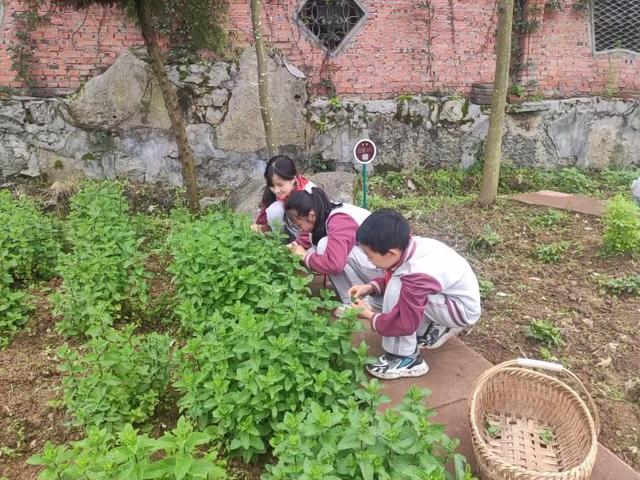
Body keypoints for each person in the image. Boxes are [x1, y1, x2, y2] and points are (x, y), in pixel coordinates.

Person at [348, 209, 481, 380]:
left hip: (461, 310)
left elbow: (404, 323)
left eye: (370, 256)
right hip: (451, 298)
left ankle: (404, 358)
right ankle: (439, 325)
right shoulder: (410, 247)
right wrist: (370, 287)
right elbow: (394, 273)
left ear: (391, 253)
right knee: (399, 285)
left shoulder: (414, 273)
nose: (368, 260)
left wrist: (368, 314)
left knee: (399, 287)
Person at [285, 187, 383, 311]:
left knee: (324, 247)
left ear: (311, 215)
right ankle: (350, 301)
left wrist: (305, 256)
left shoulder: (339, 220)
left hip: (383, 269)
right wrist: (294, 245)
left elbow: (334, 264)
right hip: (372, 262)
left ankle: (364, 300)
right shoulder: (324, 210)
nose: (300, 229)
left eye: (299, 225)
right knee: (321, 249)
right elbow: (308, 234)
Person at [252, 155, 315, 243]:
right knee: (274, 210)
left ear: (293, 179)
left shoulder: (308, 192)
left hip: (312, 234)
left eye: (280, 185)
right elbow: (264, 215)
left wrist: (298, 246)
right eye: (272, 186)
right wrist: (261, 228)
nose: (276, 190)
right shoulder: (275, 190)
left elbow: (312, 226)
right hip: (293, 227)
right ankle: (280, 242)